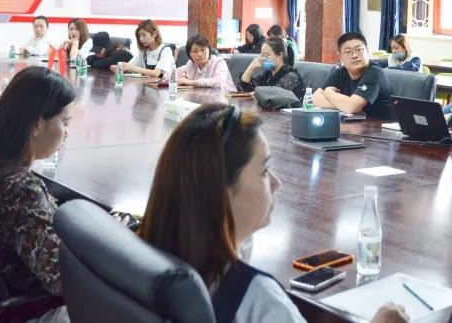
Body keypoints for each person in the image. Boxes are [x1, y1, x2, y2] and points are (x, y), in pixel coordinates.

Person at [139, 104, 407, 323]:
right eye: (264, 171)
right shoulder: (257, 300)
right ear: (221, 191)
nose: (277, 183)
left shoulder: (143, 256)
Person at [0, 67, 75, 323]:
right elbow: (62, 280)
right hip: (33, 311)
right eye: (65, 122)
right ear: (37, 124)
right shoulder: (21, 189)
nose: (67, 132)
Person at [312, 32, 395, 120]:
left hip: (381, 126)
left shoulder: (375, 72)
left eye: (359, 50)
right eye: (348, 52)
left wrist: (329, 92)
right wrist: (343, 105)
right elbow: (315, 99)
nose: (354, 55)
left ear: (367, 51)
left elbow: (352, 107)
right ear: (340, 57)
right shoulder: (341, 72)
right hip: (356, 124)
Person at [238, 36, 304, 100]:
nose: (263, 58)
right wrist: (250, 69)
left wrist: (256, 93)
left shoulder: (291, 76)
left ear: (280, 55)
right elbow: (244, 91)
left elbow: (273, 96)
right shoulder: (267, 75)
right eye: (262, 55)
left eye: (266, 55)